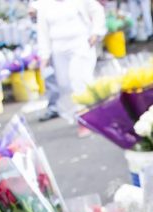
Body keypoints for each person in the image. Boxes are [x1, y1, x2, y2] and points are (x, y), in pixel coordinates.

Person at [35, 0, 105, 137]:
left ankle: (85, 121)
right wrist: (44, 55)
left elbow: (97, 11)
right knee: (65, 85)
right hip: (58, 49)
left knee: (79, 81)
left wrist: (95, 32)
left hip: (80, 45)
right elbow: (42, 31)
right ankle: (89, 112)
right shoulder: (43, 4)